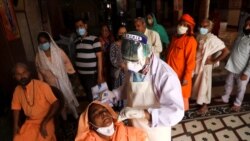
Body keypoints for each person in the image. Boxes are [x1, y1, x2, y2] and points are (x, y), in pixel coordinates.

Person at [106, 31, 184, 141]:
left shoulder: (165, 75)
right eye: (126, 60)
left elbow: (176, 112)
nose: (128, 65)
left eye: (134, 60)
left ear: (147, 52)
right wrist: (114, 94)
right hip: (134, 127)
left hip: (154, 130)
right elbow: (128, 88)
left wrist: (144, 113)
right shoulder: (133, 67)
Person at [36, 31, 79, 120]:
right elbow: (39, 71)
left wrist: (70, 73)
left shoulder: (59, 52)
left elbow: (67, 62)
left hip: (63, 81)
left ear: (49, 41)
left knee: (69, 99)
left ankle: (76, 116)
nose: (43, 44)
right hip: (51, 85)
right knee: (59, 102)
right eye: (41, 42)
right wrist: (41, 84)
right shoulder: (38, 57)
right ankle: (64, 119)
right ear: (39, 44)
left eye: (45, 42)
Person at [12, 63, 60, 141]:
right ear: (14, 77)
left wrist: (45, 122)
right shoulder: (17, 90)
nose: (22, 76)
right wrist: (15, 125)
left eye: (24, 72)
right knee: (17, 139)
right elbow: (16, 108)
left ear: (29, 73)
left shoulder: (42, 86)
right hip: (30, 122)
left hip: (46, 120)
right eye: (18, 74)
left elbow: (56, 103)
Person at [192, 19, 229, 115]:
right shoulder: (200, 36)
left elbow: (226, 51)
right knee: (198, 84)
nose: (202, 28)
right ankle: (199, 100)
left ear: (210, 28)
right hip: (198, 64)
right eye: (201, 26)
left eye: (205, 26)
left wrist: (213, 61)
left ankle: (205, 106)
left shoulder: (213, 39)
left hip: (205, 66)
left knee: (205, 85)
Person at [214, 17, 250, 112]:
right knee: (228, 83)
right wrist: (228, 60)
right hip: (232, 66)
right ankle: (225, 98)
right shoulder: (240, 35)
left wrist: (246, 73)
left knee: (241, 88)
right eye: (246, 24)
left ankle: (237, 103)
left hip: (243, 70)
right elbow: (234, 49)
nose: (247, 26)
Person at [166, 14, 197, 111]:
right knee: (173, 94)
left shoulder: (190, 41)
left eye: (185, 25)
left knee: (183, 96)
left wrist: (186, 77)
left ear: (189, 28)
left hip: (181, 75)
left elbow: (191, 61)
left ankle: (183, 115)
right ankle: (174, 113)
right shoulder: (175, 37)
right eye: (180, 24)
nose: (181, 26)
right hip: (171, 73)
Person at [75, 101, 148, 141]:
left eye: (105, 110)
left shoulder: (135, 134)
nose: (103, 113)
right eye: (96, 113)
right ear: (90, 124)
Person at [74, 18, 104, 101]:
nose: (79, 28)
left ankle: (94, 111)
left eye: (81, 26)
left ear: (85, 26)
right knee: (88, 93)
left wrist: (99, 75)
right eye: (77, 27)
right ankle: (91, 110)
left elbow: (99, 58)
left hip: (92, 74)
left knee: (94, 96)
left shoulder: (94, 39)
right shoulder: (76, 41)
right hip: (81, 74)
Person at [99, 24, 115, 89]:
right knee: (105, 83)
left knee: (111, 82)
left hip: (111, 64)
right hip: (104, 65)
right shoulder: (99, 41)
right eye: (103, 30)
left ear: (109, 31)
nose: (105, 32)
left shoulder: (112, 39)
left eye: (106, 30)